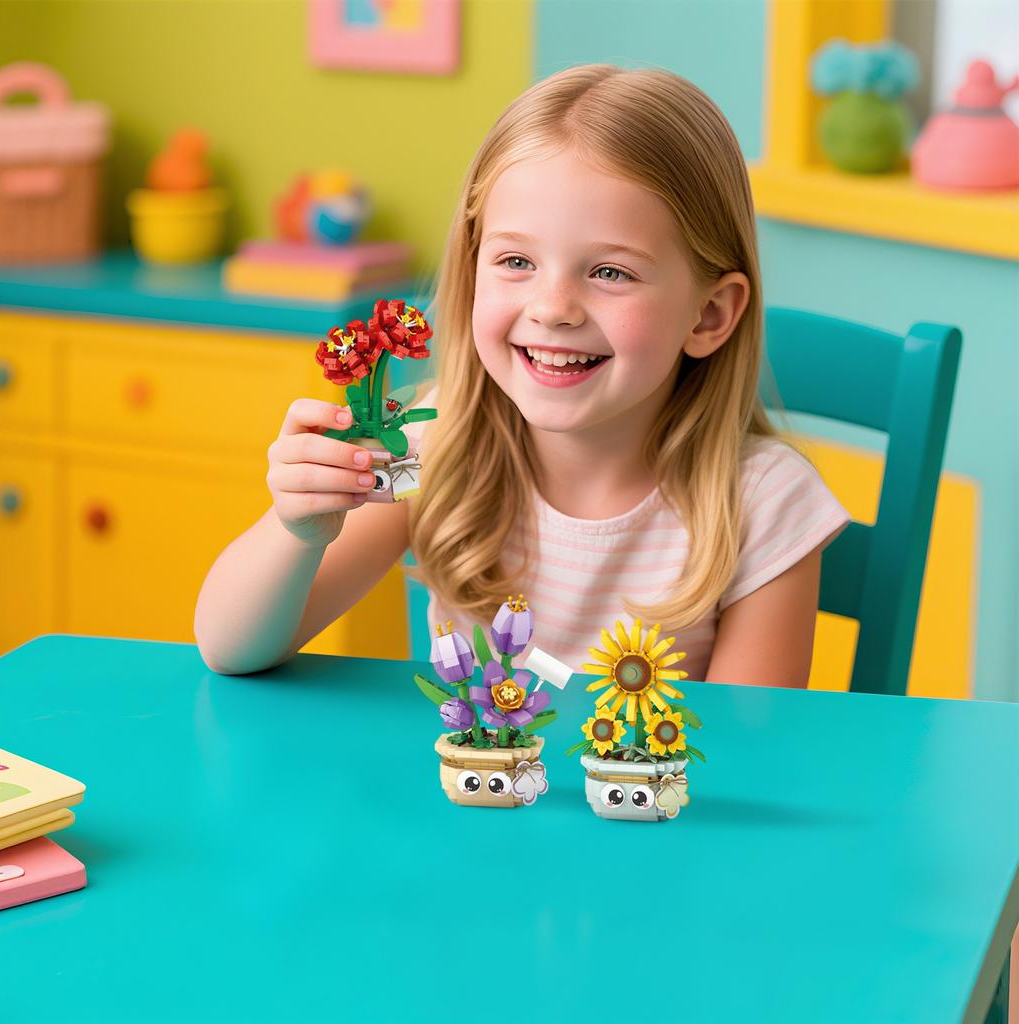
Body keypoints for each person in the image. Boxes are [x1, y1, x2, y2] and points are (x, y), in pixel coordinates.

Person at [195, 64, 849, 684]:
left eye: (610, 272)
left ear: (708, 315)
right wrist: (297, 531)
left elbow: (747, 752)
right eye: (515, 261)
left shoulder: (763, 504)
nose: (553, 309)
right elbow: (231, 648)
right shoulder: (430, 443)